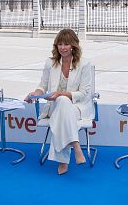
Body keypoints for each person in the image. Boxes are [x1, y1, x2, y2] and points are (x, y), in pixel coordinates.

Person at [24, 29, 94, 175]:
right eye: (60, 44)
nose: (63, 47)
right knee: (61, 104)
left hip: (77, 107)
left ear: (73, 45)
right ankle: (75, 145)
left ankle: (63, 161)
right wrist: (34, 94)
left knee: (62, 102)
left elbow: (84, 93)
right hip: (55, 106)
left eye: (66, 44)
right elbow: (42, 86)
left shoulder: (84, 64)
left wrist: (61, 94)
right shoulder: (51, 63)